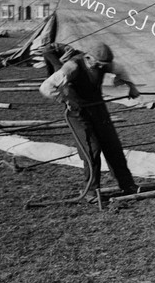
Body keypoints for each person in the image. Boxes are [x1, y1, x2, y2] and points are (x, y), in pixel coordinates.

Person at [39, 41, 140, 202]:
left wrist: (131, 86)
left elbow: (120, 69)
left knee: (113, 146)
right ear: (88, 57)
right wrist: (64, 99)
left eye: (104, 65)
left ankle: (127, 185)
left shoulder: (103, 64)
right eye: (99, 64)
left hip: (98, 109)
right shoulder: (72, 67)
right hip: (78, 113)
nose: (102, 68)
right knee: (92, 150)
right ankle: (92, 192)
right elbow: (46, 87)